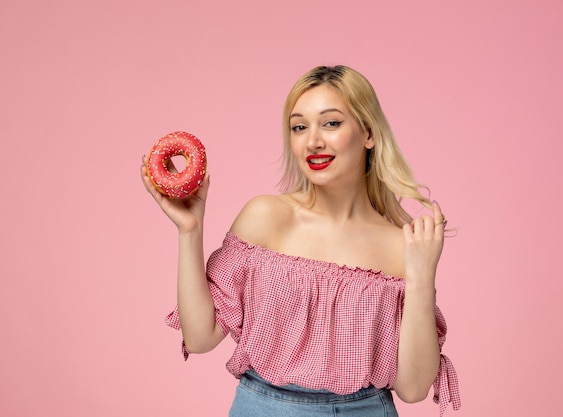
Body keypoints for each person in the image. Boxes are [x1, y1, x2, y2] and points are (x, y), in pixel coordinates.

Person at [141, 65, 460, 416]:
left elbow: (413, 388)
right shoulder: (265, 217)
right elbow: (200, 338)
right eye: (299, 127)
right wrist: (190, 231)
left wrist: (422, 276)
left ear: (368, 132)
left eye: (331, 123)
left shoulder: (402, 245)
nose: (313, 141)